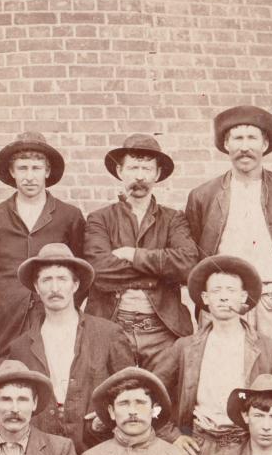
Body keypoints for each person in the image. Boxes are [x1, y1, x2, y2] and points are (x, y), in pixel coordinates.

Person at [183, 105, 272, 353]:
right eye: (237, 138)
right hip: (222, 297)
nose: (244, 147)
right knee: (220, 367)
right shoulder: (202, 195)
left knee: (270, 371)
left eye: (252, 138)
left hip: (271, 296)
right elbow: (196, 254)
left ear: (265, 144)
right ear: (226, 144)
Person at [157, 254, 272, 455]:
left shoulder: (269, 348)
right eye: (216, 291)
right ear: (205, 298)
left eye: (231, 291)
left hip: (248, 444)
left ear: (243, 297)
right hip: (200, 445)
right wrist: (173, 436)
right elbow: (152, 392)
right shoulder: (185, 347)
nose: (224, 298)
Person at [5, 242, 138, 455]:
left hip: (98, 446)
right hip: (42, 451)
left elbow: (131, 388)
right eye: (46, 280)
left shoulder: (108, 334)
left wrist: (107, 416)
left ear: (75, 285)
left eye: (62, 279)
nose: (55, 288)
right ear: (37, 288)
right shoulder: (21, 347)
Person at [84, 133, 198, 370]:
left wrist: (132, 255)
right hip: (112, 329)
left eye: (146, 169)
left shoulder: (174, 219)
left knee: (166, 401)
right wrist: (158, 270)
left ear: (157, 174)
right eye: (133, 167)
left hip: (162, 332)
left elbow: (187, 264)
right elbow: (98, 270)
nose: (139, 176)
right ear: (119, 172)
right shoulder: (100, 219)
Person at [0, 131, 85, 354]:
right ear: (12, 172)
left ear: (47, 171)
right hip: (8, 319)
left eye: (36, 168)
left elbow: (82, 268)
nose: (30, 177)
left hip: (54, 312)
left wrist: (64, 303)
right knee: (11, 371)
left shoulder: (69, 216)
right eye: (23, 168)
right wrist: (2, 303)